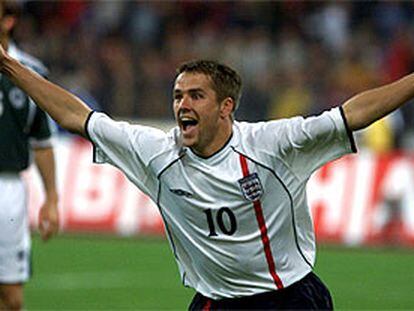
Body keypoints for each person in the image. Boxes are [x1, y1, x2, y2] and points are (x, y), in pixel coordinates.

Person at [0, 42, 413, 309]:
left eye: (196, 95)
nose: (183, 104)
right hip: (214, 301)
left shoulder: (274, 145)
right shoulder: (156, 153)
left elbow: (352, 114)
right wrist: (8, 65)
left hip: (288, 298)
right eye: (178, 95)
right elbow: (76, 116)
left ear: (225, 107)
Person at [0, 2, 59, 309]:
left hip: (8, 189)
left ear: (8, 21)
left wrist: (51, 198)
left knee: (11, 297)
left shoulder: (32, 72)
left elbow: (43, 141)